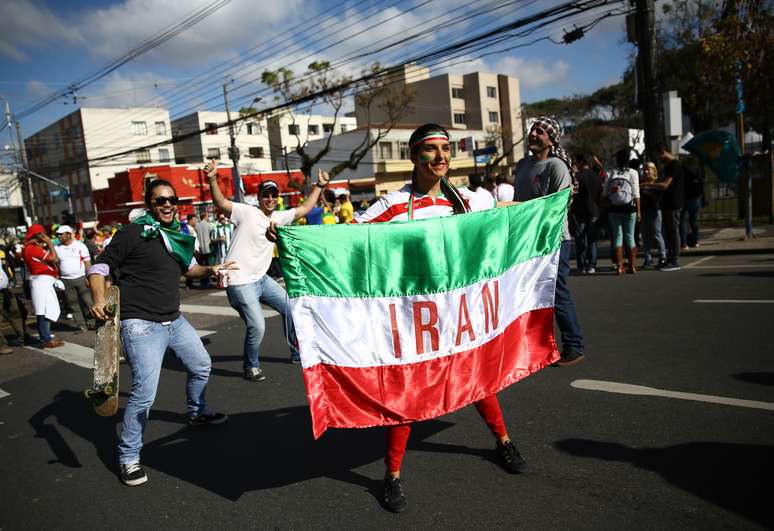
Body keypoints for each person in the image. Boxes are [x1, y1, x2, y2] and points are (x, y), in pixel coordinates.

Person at [355, 124, 526, 514]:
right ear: (415, 157)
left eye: (446, 149)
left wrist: (549, 205)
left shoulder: (465, 200)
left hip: (458, 315)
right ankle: (392, 476)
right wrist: (289, 238)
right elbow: (351, 238)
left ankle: (503, 442)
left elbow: (504, 213)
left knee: (478, 380)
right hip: (414, 320)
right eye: (431, 150)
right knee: (409, 398)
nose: (440, 157)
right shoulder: (392, 204)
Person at [88, 178, 234, 487]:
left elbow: (190, 268)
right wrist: (99, 299)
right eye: (160, 201)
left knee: (202, 365)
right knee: (144, 394)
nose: (167, 205)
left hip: (175, 320)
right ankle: (128, 458)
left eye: (172, 200)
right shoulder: (130, 234)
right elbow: (99, 269)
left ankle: (195, 413)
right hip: (140, 324)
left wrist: (212, 269)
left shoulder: (179, 234)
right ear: (149, 205)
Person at [204, 161, 330, 381]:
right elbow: (221, 202)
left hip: (261, 280)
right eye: (266, 195)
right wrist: (213, 179)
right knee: (258, 325)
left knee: (292, 308)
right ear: (259, 198)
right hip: (239, 281)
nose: (270, 199)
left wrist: (319, 185)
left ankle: (296, 351)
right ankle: (251, 366)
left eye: (274, 195)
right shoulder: (247, 212)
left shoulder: (279, 218)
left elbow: (304, 209)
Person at [514, 116, 584, 366]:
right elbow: (515, 204)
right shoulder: (522, 165)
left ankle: (574, 345)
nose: (534, 134)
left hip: (555, 240)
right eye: (533, 130)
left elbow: (558, 207)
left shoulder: (556, 166)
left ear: (551, 139)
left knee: (556, 292)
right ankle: (538, 346)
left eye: (541, 131)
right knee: (531, 295)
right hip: (527, 241)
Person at [22, 224, 64, 348]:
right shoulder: (33, 248)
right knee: (44, 311)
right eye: (43, 235)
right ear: (38, 235)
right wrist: (50, 243)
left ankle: (46, 336)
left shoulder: (29, 247)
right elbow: (54, 258)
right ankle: (46, 339)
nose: (45, 237)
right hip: (41, 281)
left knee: (45, 309)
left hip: (41, 281)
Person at [602, 148, 641, 275]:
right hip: (629, 208)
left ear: (617, 159)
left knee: (618, 237)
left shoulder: (610, 173)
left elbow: (604, 194)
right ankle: (633, 265)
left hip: (614, 209)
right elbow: (636, 193)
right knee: (630, 237)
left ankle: (619, 266)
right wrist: (639, 211)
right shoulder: (633, 173)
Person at [651, 143, 684, 271]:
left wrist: (647, 186)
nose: (658, 159)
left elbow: (665, 185)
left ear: (662, 151)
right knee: (669, 232)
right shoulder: (669, 166)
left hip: (673, 203)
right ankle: (670, 258)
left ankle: (674, 259)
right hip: (667, 203)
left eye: (658, 155)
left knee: (673, 231)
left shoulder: (675, 165)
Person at [54, 225, 94, 330]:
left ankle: (92, 322)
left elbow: (87, 262)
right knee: (73, 304)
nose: (59, 236)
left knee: (88, 302)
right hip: (65, 280)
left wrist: (88, 277)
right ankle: (81, 326)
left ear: (68, 234)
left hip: (81, 278)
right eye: (58, 235)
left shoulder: (80, 245)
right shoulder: (57, 248)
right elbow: (54, 263)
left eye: (61, 234)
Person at [571, 154, 601, 274]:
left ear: (581, 162)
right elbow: (600, 193)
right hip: (593, 209)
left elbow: (574, 193)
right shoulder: (596, 176)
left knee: (580, 239)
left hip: (580, 211)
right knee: (592, 239)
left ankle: (582, 265)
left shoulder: (577, 177)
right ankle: (592, 264)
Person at [639, 162, 667, 268]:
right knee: (645, 236)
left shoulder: (657, 182)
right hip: (643, 211)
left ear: (654, 170)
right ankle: (648, 258)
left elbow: (658, 197)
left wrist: (647, 187)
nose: (646, 171)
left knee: (657, 234)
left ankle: (662, 256)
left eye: (648, 169)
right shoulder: (641, 183)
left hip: (655, 211)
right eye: (645, 169)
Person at [680, 164, 703, 249]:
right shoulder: (696, 172)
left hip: (685, 198)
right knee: (694, 221)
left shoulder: (682, 172)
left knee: (683, 222)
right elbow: (700, 185)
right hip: (694, 198)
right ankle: (695, 241)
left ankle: (684, 242)